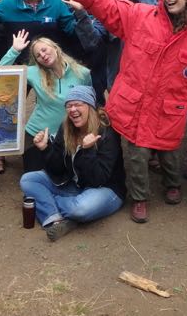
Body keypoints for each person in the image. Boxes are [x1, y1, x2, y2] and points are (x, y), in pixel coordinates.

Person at [59, 0, 187, 223]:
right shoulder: (141, 15)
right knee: (137, 154)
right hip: (135, 105)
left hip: (172, 108)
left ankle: (172, 184)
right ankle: (140, 198)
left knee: (172, 154)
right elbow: (110, 7)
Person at [20, 86, 126, 241]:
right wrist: (45, 149)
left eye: (78, 104)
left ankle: (49, 205)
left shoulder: (106, 133)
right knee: (28, 180)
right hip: (75, 186)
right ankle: (55, 219)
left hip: (105, 190)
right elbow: (57, 169)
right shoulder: (66, 128)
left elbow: (98, 179)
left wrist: (88, 151)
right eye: (69, 106)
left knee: (81, 208)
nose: (73, 110)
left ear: (90, 106)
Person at [0, 30, 92, 172]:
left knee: (63, 177)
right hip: (36, 134)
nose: (43, 55)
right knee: (34, 177)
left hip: (69, 134)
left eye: (44, 49)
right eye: (38, 55)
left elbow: (90, 103)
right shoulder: (34, 73)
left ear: (55, 47)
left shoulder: (81, 73)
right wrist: (14, 50)